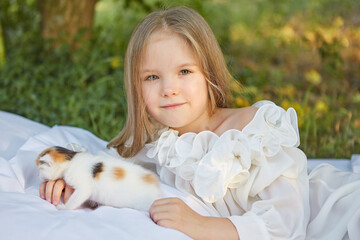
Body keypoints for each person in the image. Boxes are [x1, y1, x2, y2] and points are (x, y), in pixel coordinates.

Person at [40, 6, 360, 240]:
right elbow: (110, 166)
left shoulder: (251, 132)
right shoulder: (162, 145)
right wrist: (70, 174)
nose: (169, 89)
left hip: (333, 215)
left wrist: (200, 225)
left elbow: (287, 223)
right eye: (152, 77)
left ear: (209, 73)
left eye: (184, 71)